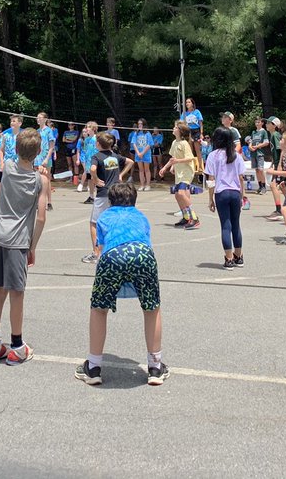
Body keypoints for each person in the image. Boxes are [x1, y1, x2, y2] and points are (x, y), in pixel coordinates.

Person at [75, 181, 167, 386]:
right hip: (143, 254)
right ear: (134, 201)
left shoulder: (105, 216)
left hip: (112, 256)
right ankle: (155, 366)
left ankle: (94, 367)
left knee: (99, 308)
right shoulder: (141, 217)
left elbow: (100, 245)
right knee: (152, 308)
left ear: (110, 201)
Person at [0, 128, 50, 366]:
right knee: (17, 294)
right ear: (40, 151)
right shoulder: (40, 180)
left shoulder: (8, 168)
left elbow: (8, 155)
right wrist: (32, 246)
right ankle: (17, 345)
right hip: (17, 240)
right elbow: (41, 217)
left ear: (15, 148)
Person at [84, 131, 134, 263]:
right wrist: (121, 175)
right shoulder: (115, 156)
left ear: (98, 144)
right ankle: (116, 249)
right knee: (114, 221)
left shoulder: (97, 156)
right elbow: (130, 162)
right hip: (116, 193)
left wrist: (95, 179)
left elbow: (93, 169)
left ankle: (96, 252)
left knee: (94, 223)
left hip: (103, 193)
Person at [205, 126, 246, 269]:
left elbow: (211, 179)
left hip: (221, 193)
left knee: (225, 226)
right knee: (236, 224)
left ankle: (228, 258)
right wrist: (242, 195)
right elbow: (241, 178)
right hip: (235, 192)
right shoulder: (236, 155)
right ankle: (239, 256)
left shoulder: (213, 156)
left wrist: (210, 199)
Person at [161, 121, 199, 229]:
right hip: (179, 172)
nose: (173, 128)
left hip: (187, 171)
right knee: (177, 195)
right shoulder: (174, 143)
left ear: (180, 132)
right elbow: (173, 158)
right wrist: (165, 168)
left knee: (182, 193)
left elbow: (190, 158)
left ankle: (194, 218)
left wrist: (177, 161)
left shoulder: (184, 143)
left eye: (176, 127)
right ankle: (186, 217)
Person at [0, 114, 23, 216]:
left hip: (18, 165)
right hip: (6, 164)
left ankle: (18, 209)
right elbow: (1, 150)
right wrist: (1, 163)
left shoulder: (23, 136)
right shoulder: (6, 136)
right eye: (11, 121)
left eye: (14, 121)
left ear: (20, 123)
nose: (12, 123)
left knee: (16, 187)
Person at [34, 112, 57, 211]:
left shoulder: (48, 131)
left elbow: (52, 146)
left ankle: (49, 202)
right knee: (37, 179)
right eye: (37, 118)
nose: (38, 119)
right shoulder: (37, 131)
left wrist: (47, 158)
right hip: (37, 158)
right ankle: (38, 201)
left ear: (45, 119)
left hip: (46, 157)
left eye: (40, 118)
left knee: (47, 180)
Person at [78, 121, 99, 203]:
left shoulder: (96, 138)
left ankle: (99, 196)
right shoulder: (86, 139)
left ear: (93, 128)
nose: (86, 129)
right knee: (89, 179)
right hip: (88, 161)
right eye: (86, 127)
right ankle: (91, 196)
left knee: (95, 178)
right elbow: (85, 150)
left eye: (88, 127)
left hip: (95, 161)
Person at [250, 116, 271, 194]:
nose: (257, 124)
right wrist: (250, 147)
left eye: (258, 122)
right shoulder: (253, 132)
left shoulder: (263, 132)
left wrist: (257, 147)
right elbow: (251, 141)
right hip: (253, 153)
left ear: (262, 123)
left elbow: (266, 142)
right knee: (256, 170)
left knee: (261, 170)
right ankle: (260, 186)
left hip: (260, 153)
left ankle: (264, 186)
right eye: (256, 122)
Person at [131, 119, 153, 191]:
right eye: (138, 124)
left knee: (146, 169)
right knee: (141, 170)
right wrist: (138, 152)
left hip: (146, 154)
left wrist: (143, 153)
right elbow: (133, 143)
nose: (139, 125)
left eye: (141, 124)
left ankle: (148, 185)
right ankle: (142, 184)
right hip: (138, 154)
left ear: (144, 124)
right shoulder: (136, 133)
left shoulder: (147, 133)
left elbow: (149, 144)